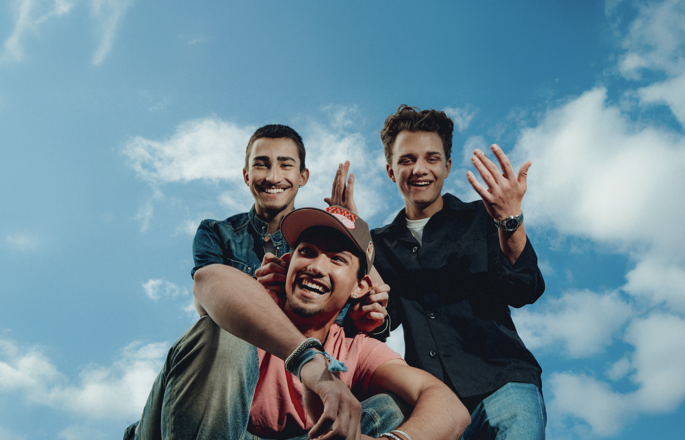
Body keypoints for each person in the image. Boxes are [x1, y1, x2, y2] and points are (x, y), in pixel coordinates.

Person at [130, 205, 471, 439]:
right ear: (288, 261)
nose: (316, 267)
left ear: (360, 286)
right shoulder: (253, 309)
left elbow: (449, 407)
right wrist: (309, 361)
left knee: (392, 408)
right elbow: (208, 278)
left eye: (337, 259)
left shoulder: (356, 348)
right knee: (223, 334)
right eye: (307, 251)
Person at [367, 105, 546, 439]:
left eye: (431, 158)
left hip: (504, 382)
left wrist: (510, 221)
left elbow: (524, 290)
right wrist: (354, 249)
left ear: (447, 166)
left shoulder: (484, 218)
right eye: (407, 160)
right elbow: (381, 323)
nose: (419, 169)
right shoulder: (377, 244)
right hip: (433, 400)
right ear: (391, 171)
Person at [191, 123, 387, 333]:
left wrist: (352, 232)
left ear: (303, 177)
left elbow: (370, 317)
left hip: (314, 350)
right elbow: (209, 301)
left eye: (285, 165)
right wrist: (264, 291)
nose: (273, 177)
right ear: (246, 176)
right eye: (261, 165)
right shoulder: (215, 233)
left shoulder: (320, 238)